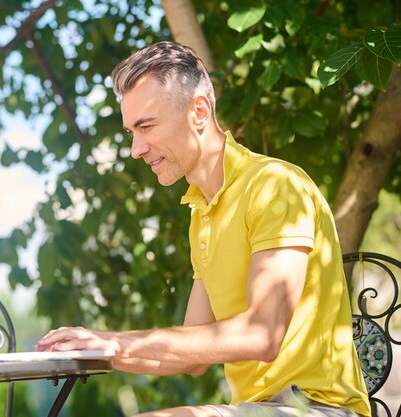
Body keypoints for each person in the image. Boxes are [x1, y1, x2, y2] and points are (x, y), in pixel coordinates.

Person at [35, 41, 370, 417]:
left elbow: (262, 335)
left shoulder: (275, 186)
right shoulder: (201, 212)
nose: (136, 148)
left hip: (318, 408)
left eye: (146, 126)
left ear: (199, 111)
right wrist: (92, 349)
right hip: (255, 410)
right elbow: (189, 360)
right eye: (131, 131)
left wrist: (116, 342)